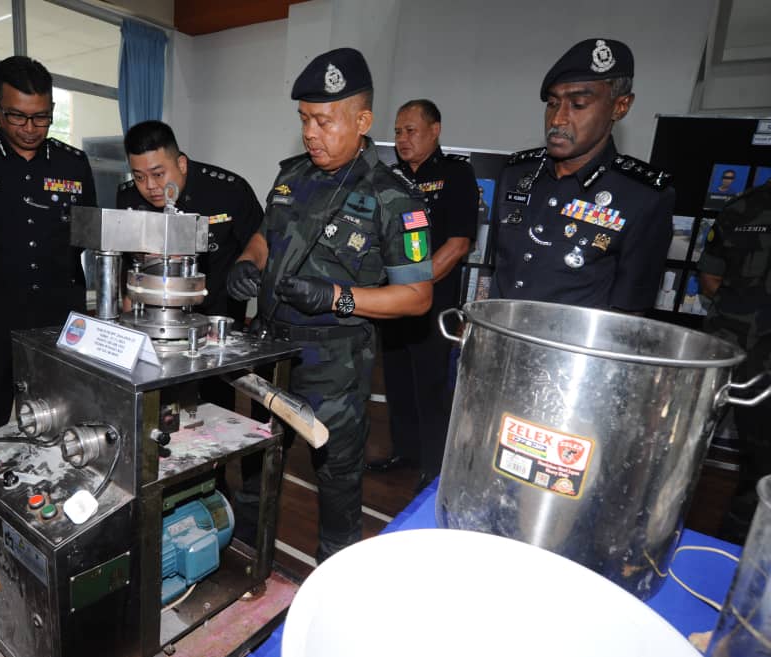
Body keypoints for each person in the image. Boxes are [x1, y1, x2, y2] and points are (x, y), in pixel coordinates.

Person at [227, 47, 434, 562]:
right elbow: (265, 236)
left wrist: (337, 298)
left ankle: (333, 575)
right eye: (304, 119)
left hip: (334, 365)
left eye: (324, 121)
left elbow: (417, 297)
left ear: (362, 121)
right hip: (270, 352)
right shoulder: (292, 176)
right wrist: (248, 261)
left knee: (337, 478)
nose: (310, 133)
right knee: (256, 462)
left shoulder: (393, 197)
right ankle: (246, 563)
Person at [0, 56, 96, 439]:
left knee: (59, 400)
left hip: (58, 305)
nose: (29, 128)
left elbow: (87, 230)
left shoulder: (73, 163)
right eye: (17, 116)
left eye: (41, 117)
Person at [489, 38, 674, 311]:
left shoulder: (643, 197)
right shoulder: (516, 173)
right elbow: (499, 269)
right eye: (553, 103)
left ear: (620, 106)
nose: (557, 119)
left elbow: (629, 312)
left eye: (578, 105)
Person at [366, 99, 478, 491]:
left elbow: (458, 244)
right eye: (398, 132)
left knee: (430, 387)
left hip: (433, 303)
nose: (402, 139)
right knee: (397, 381)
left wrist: (415, 285)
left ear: (435, 130)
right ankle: (406, 452)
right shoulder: (388, 177)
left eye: (411, 130)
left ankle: (433, 467)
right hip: (392, 301)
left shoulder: (456, 174)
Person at [116, 120, 264, 326]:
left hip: (218, 317)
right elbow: (129, 264)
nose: (150, 186)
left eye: (158, 174)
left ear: (182, 164)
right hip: (152, 317)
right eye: (139, 177)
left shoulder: (229, 191)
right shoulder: (129, 198)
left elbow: (262, 244)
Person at [698, 179, 771, 544]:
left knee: (762, 471)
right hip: (725, 350)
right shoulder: (742, 207)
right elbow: (709, 276)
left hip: (734, 349)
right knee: (680, 445)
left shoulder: (742, 204)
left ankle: (737, 549)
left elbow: (711, 279)